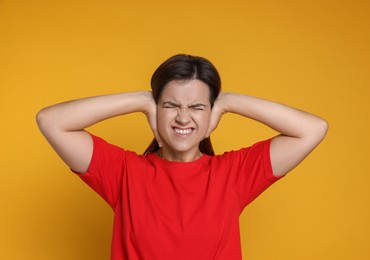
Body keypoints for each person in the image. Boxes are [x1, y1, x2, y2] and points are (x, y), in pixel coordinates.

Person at [36, 54, 328, 260]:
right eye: (171, 105)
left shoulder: (233, 174)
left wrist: (227, 102)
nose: (183, 117)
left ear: (211, 115)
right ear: (156, 109)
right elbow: (51, 120)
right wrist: (142, 100)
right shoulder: (124, 172)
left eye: (198, 107)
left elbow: (313, 129)